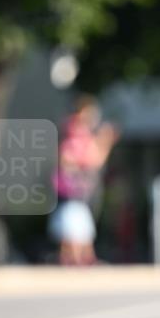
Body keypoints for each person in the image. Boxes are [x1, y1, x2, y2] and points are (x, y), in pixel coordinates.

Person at [49, 96, 118, 266]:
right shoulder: (73, 132)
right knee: (73, 225)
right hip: (71, 190)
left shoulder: (79, 133)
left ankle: (79, 259)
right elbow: (86, 159)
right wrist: (104, 142)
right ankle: (76, 259)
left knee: (78, 226)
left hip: (80, 190)